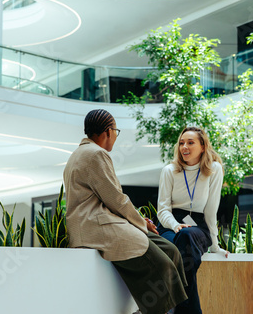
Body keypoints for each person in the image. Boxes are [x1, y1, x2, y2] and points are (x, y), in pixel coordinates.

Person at [63, 109, 188, 314]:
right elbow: (117, 200)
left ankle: (162, 309)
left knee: (171, 251)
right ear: (108, 132)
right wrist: (141, 222)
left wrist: (139, 220)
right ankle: (156, 310)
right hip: (98, 227)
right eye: (116, 132)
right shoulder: (96, 154)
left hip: (98, 225)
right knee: (163, 265)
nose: (115, 137)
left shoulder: (77, 154)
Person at [157, 126, 227, 314]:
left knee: (186, 236)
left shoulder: (214, 169)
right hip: (170, 225)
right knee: (182, 238)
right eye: (181, 143)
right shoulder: (169, 171)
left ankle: (173, 306)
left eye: (190, 142)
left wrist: (214, 244)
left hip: (197, 227)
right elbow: (162, 210)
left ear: (203, 146)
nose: (184, 147)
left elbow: (211, 210)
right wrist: (175, 225)